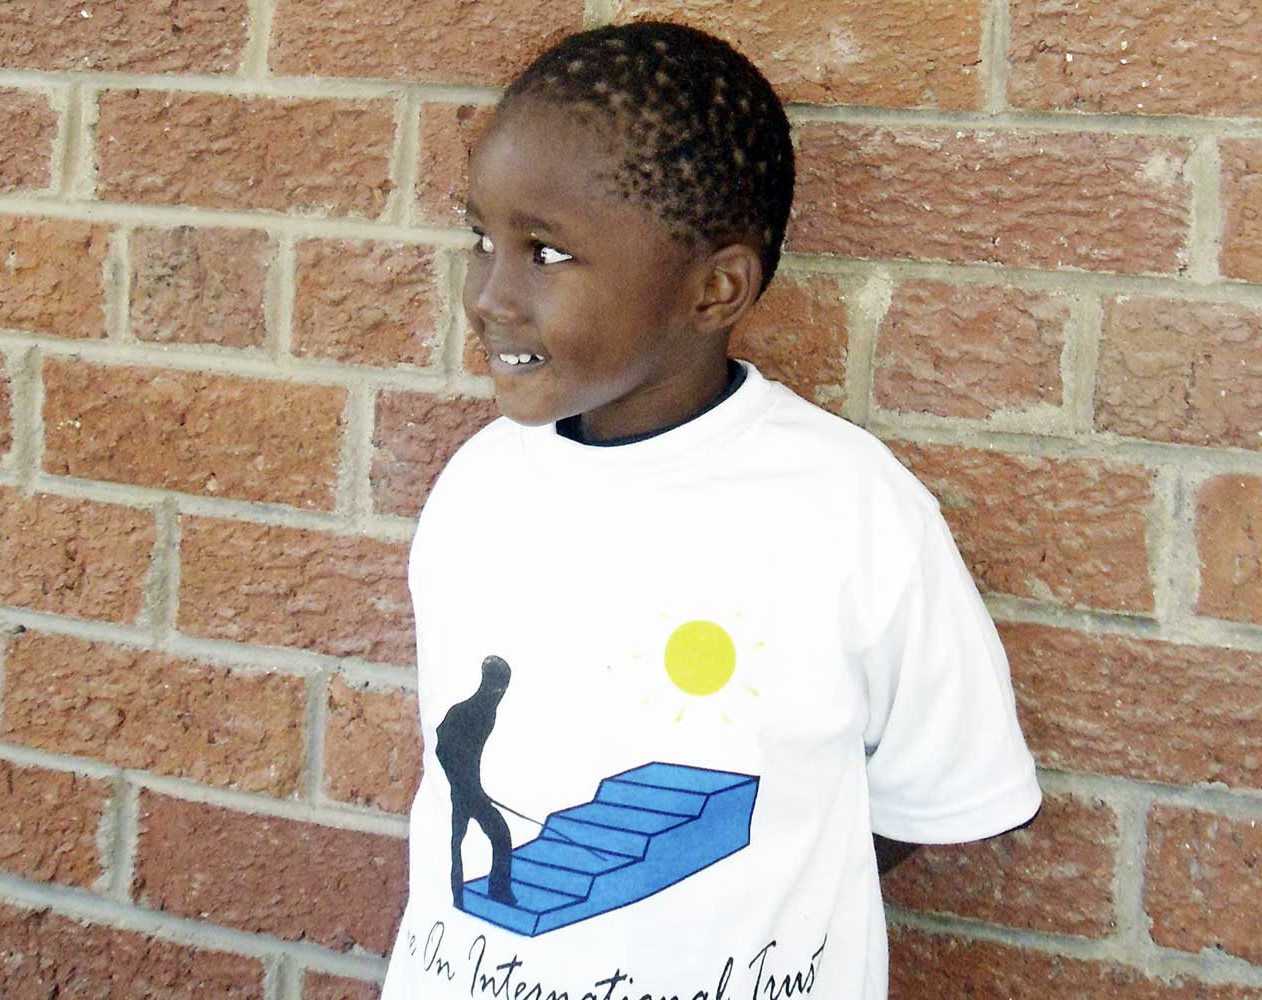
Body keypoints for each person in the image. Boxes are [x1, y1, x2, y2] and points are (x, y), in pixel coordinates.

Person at [382, 21, 1040, 1000]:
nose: (488, 295)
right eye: (484, 238)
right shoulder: (479, 489)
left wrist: (724, 885)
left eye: (548, 253)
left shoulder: (850, 511)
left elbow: (929, 799)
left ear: (715, 288)